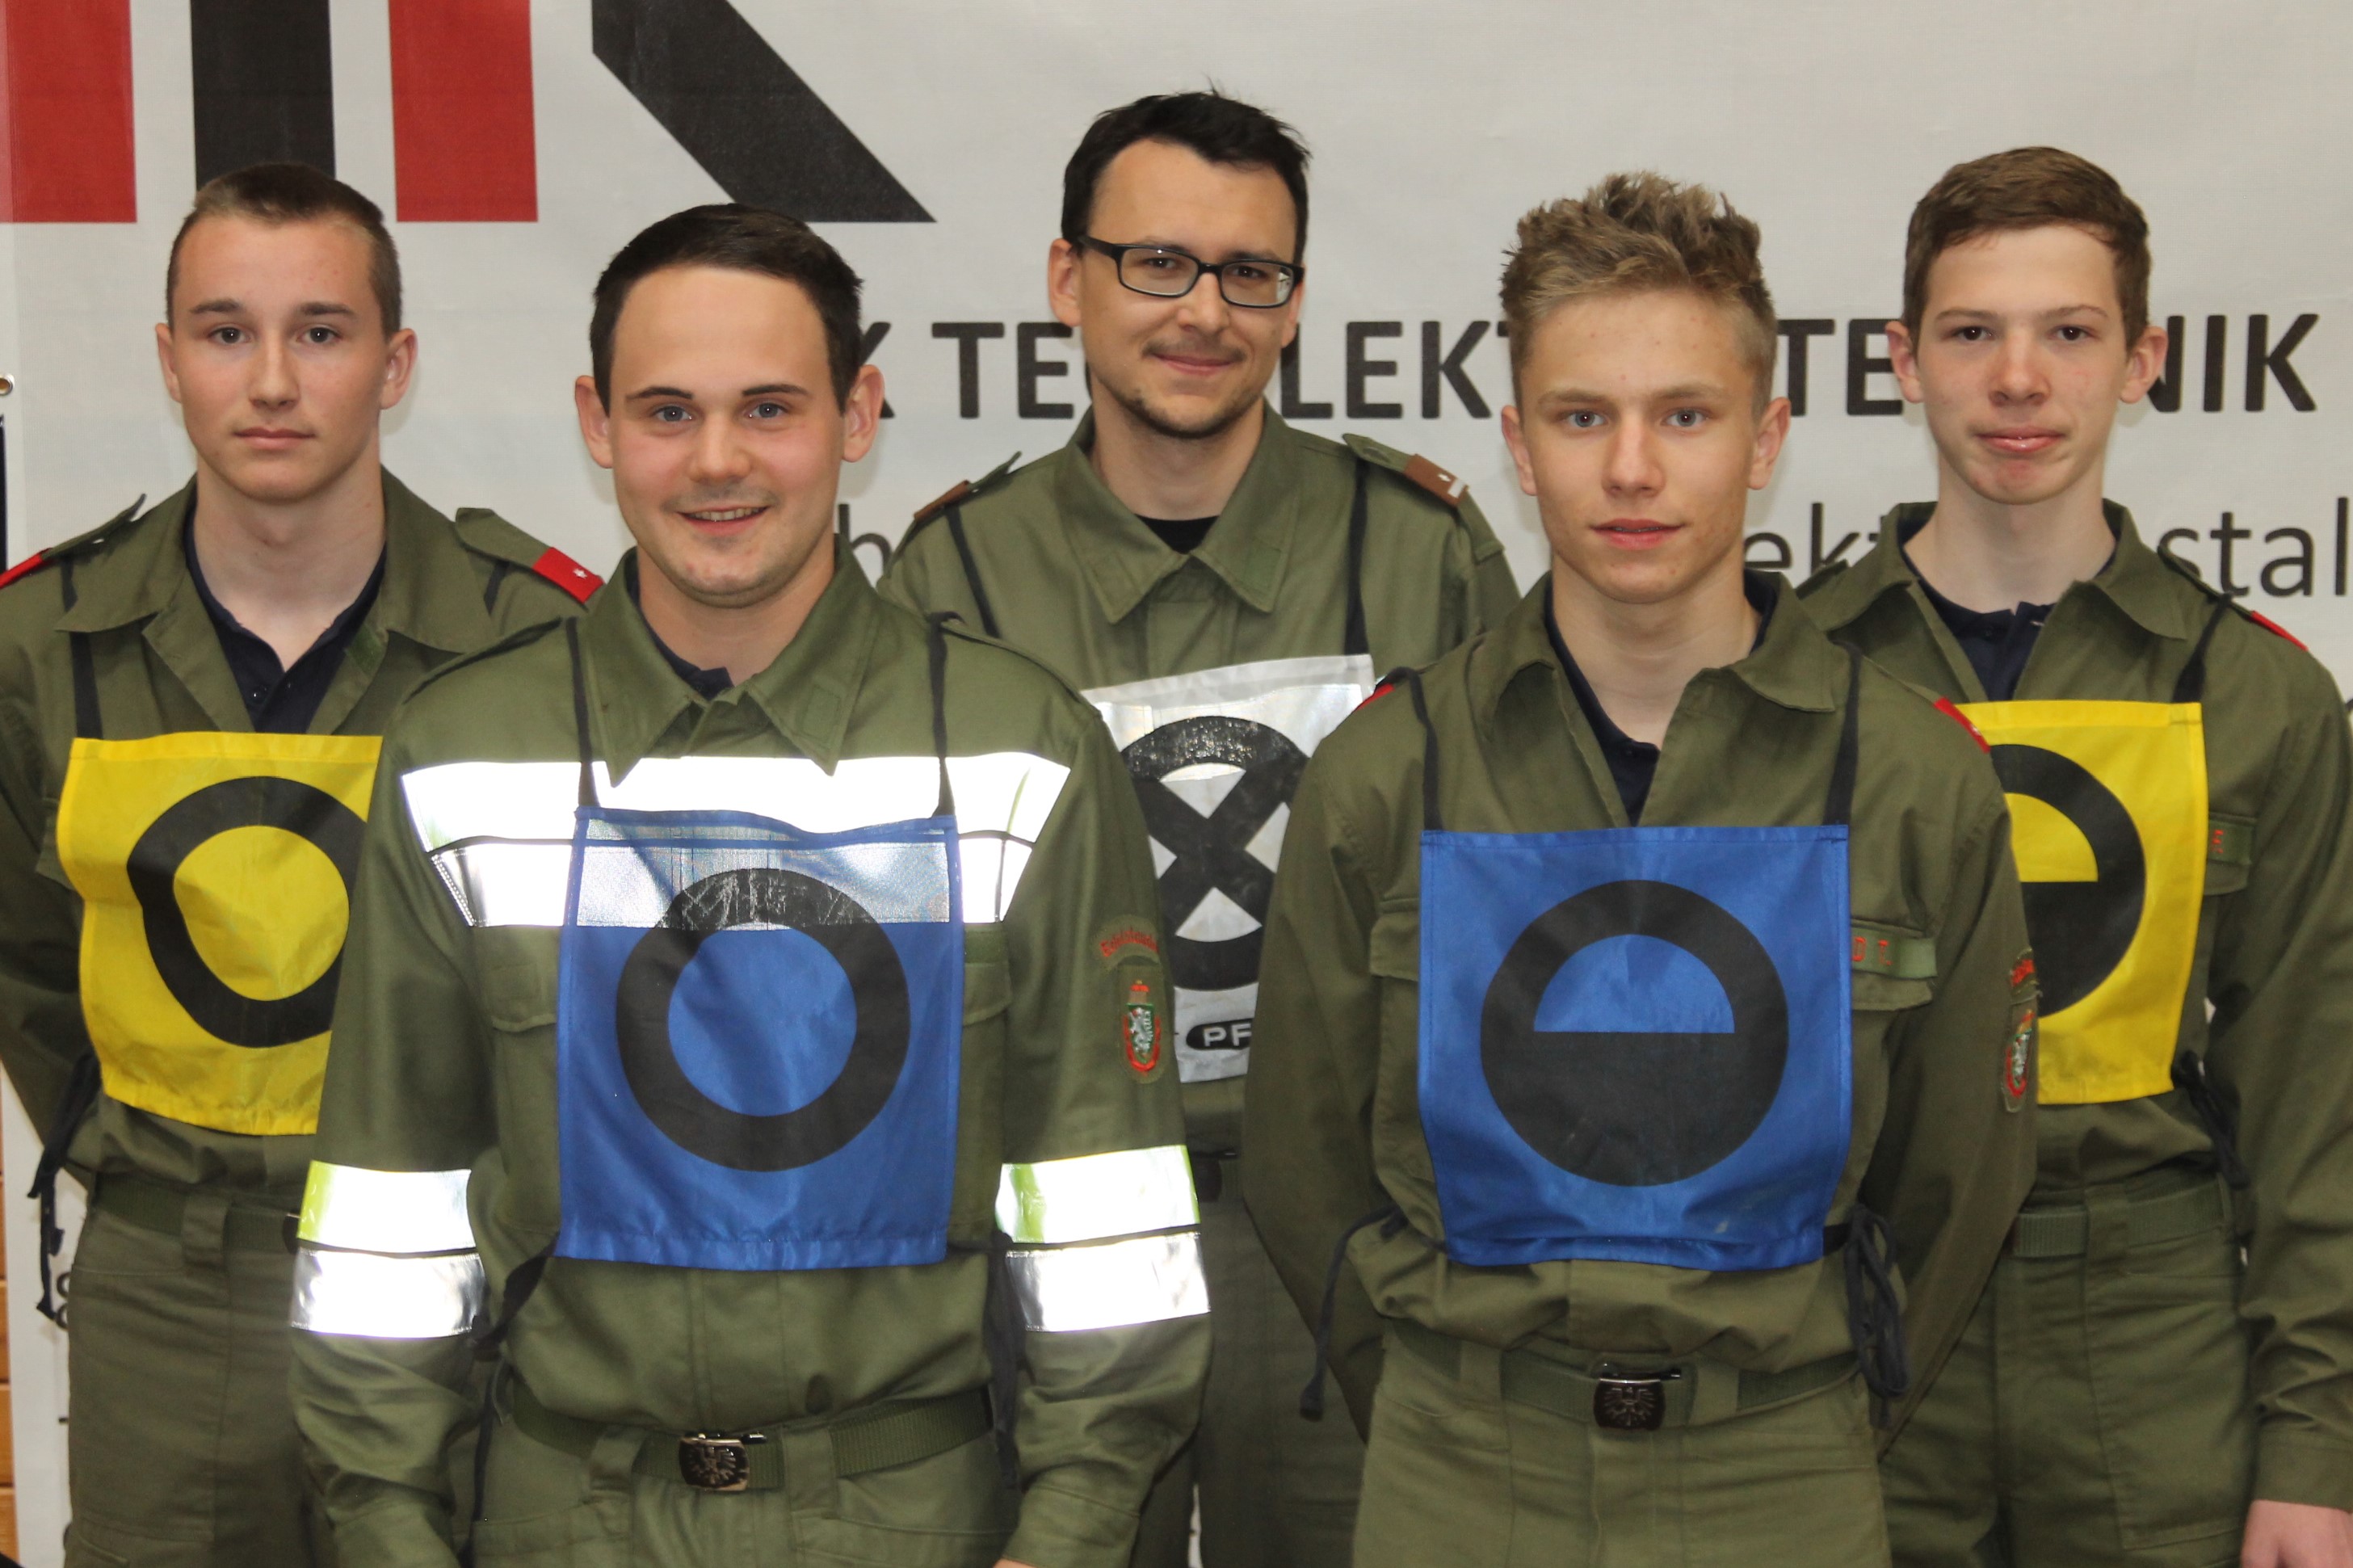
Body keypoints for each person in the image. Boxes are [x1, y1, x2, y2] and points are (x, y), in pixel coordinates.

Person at [288, 204, 1209, 1568]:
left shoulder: (1022, 749)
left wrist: (1066, 1533)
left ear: (858, 415)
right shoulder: (459, 751)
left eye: (769, 408)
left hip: (916, 1520)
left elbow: (1105, 1213)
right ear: (597, 424)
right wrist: (387, 1532)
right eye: (668, 411)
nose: (717, 460)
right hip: (561, 1516)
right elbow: (389, 1214)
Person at [1245, 172, 2040, 1566]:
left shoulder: (1913, 781)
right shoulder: (1384, 775)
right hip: (1458, 1471)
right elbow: (1304, 1160)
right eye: (1580, 417)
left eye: (1683, 415)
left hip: (1781, 1473)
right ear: (1516, 442)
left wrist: (1802, 1415)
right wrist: (1443, 1400)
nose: (1629, 469)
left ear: (1763, 437)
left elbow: (1957, 1181)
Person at [881, 90, 1516, 1568]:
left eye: (1250, 272)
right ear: (1068, 279)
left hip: (1345, 1236)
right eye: (1156, 262)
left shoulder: (1419, 551)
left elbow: (1508, 917)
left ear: (1293, 301)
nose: (1204, 311)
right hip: (1058, 1251)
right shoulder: (952, 576)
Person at [0, 163, 595, 1567]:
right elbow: (28, 963)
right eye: (227, 332)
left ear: (394, 364)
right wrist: (153, 1162)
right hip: (171, 1293)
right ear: (168, 361)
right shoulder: (40, 644)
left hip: (477, 1283)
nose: (272, 380)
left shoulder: (543, 642)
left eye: (320, 332)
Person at [1801, 147, 2353, 1568]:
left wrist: (2316, 1449)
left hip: (2153, 1338)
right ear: (1901, 361)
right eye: (1969, 332)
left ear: (2141, 361)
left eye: (2067, 332)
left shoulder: (2257, 694)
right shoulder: (1788, 675)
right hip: (1855, 1313)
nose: (2017, 381)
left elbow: (2314, 1104)